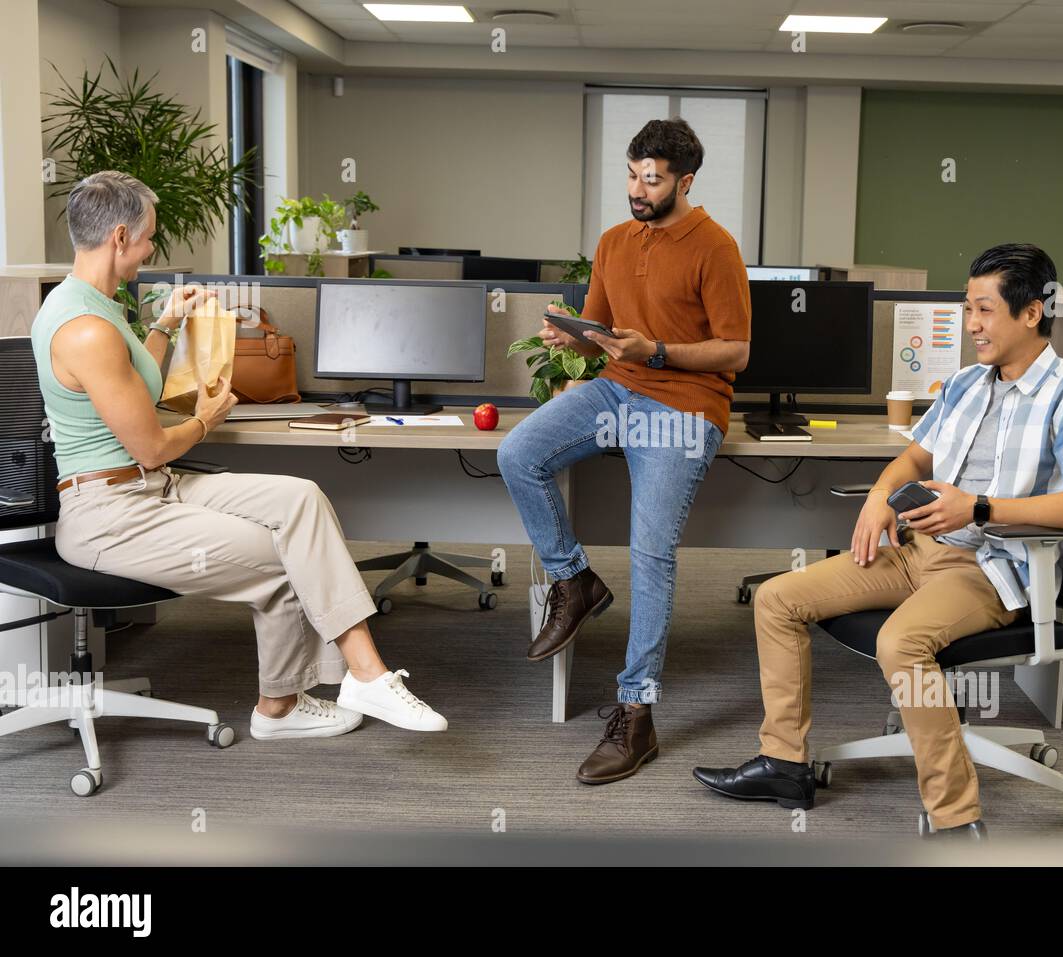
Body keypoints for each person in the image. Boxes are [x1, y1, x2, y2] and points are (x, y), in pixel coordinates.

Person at [692, 243, 1063, 837]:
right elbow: (915, 457)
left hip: (989, 568)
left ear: (1030, 313)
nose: (971, 324)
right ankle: (784, 764)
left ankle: (955, 820)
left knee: (900, 643)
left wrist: (979, 507)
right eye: (968, 308)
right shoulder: (969, 385)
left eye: (985, 310)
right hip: (916, 552)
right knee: (777, 599)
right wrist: (878, 497)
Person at [33, 170, 446, 741]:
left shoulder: (97, 306)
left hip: (153, 485)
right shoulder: (85, 328)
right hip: (111, 513)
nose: (154, 249)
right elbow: (151, 443)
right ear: (121, 236)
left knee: (300, 499)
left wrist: (166, 322)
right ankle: (287, 704)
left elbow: (137, 386)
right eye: (150, 236)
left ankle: (357, 677)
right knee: (284, 558)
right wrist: (205, 421)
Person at [497, 118, 751, 784]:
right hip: (617, 389)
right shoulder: (613, 241)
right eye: (632, 174)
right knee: (518, 453)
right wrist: (574, 340)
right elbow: (607, 337)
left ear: (685, 181)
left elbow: (736, 350)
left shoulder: (716, 247)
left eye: (653, 179)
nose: (638, 189)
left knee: (650, 550)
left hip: (685, 406)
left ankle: (636, 714)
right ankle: (574, 579)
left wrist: (658, 350)